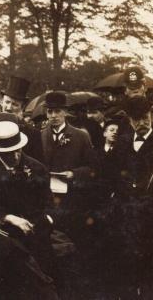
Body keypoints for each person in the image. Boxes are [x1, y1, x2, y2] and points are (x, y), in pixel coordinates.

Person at [0, 114, 59, 300]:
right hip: (1, 233)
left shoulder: (37, 168)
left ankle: (48, 288)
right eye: (9, 153)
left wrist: (42, 222)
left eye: (18, 149)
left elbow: (48, 205)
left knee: (44, 256)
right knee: (11, 258)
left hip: (34, 230)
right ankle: (47, 291)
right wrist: (8, 217)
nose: (16, 156)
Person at [103, 96, 153, 297]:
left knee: (152, 278)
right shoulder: (122, 143)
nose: (142, 123)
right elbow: (110, 179)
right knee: (127, 275)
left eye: (146, 117)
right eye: (136, 119)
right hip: (126, 222)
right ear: (129, 120)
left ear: (151, 116)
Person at [40, 91, 94, 243]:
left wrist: (74, 173)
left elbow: (93, 167)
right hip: (48, 198)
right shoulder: (40, 136)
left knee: (73, 239)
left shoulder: (81, 136)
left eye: (58, 111)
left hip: (72, 199)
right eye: (50, 111)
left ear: (65, 112)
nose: (54, 115)